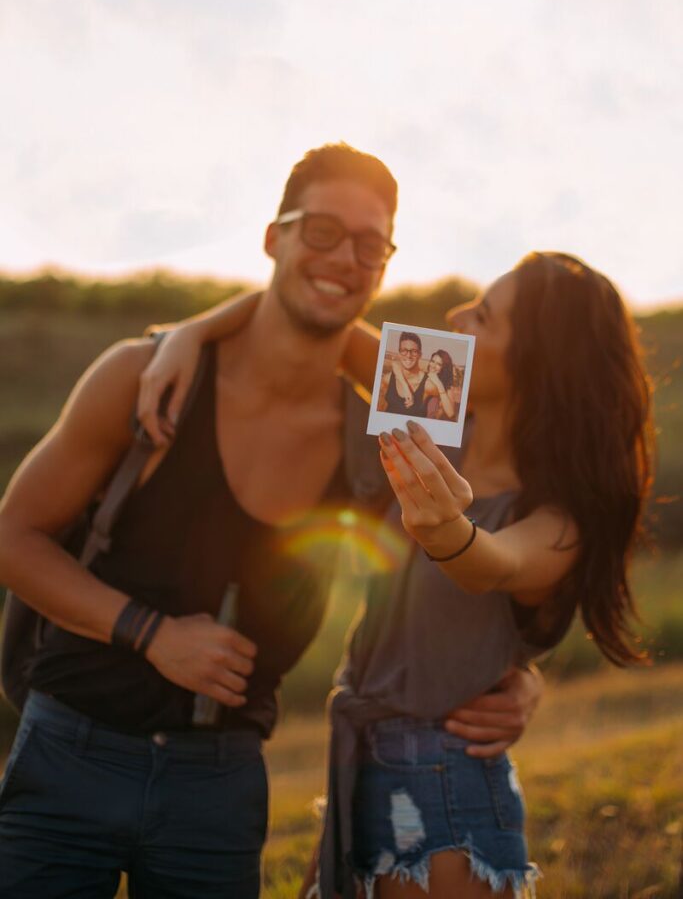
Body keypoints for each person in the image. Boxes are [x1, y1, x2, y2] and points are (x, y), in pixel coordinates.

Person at [0, 143, 540, 899]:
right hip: (70, 753)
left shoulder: (390, 414)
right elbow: (12, 538)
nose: (343, 258)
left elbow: (516, 483)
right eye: (319, 231)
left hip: (219, 783)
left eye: (369, 245)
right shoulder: (140, 377)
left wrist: (516, 671)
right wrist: (152, 635)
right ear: (272, 237)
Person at [143, 251, 653, 898]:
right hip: (362, 771)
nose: (456, 316)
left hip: (444, 799)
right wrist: (190, 333)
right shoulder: (434, 418)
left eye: (484, 316)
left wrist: (448, 532)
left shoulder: (555, 519)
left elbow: (491, 565)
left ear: (535, 363)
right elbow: (313, 320)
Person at [379, 332, 429, 416]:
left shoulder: (428, 385)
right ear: (399, 353)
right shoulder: (387, 379)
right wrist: (405, 386)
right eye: (404, 351)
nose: (408, 355)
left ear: (420, 355)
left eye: (414, 351)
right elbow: (380, 409)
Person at [424, 348, 459, 421]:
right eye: (432, 361)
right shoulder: (422, 378)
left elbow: (451, 413)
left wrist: (438, 383)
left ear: (444, 368)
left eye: (439, 364)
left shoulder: (446, 386)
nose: (433, 366)